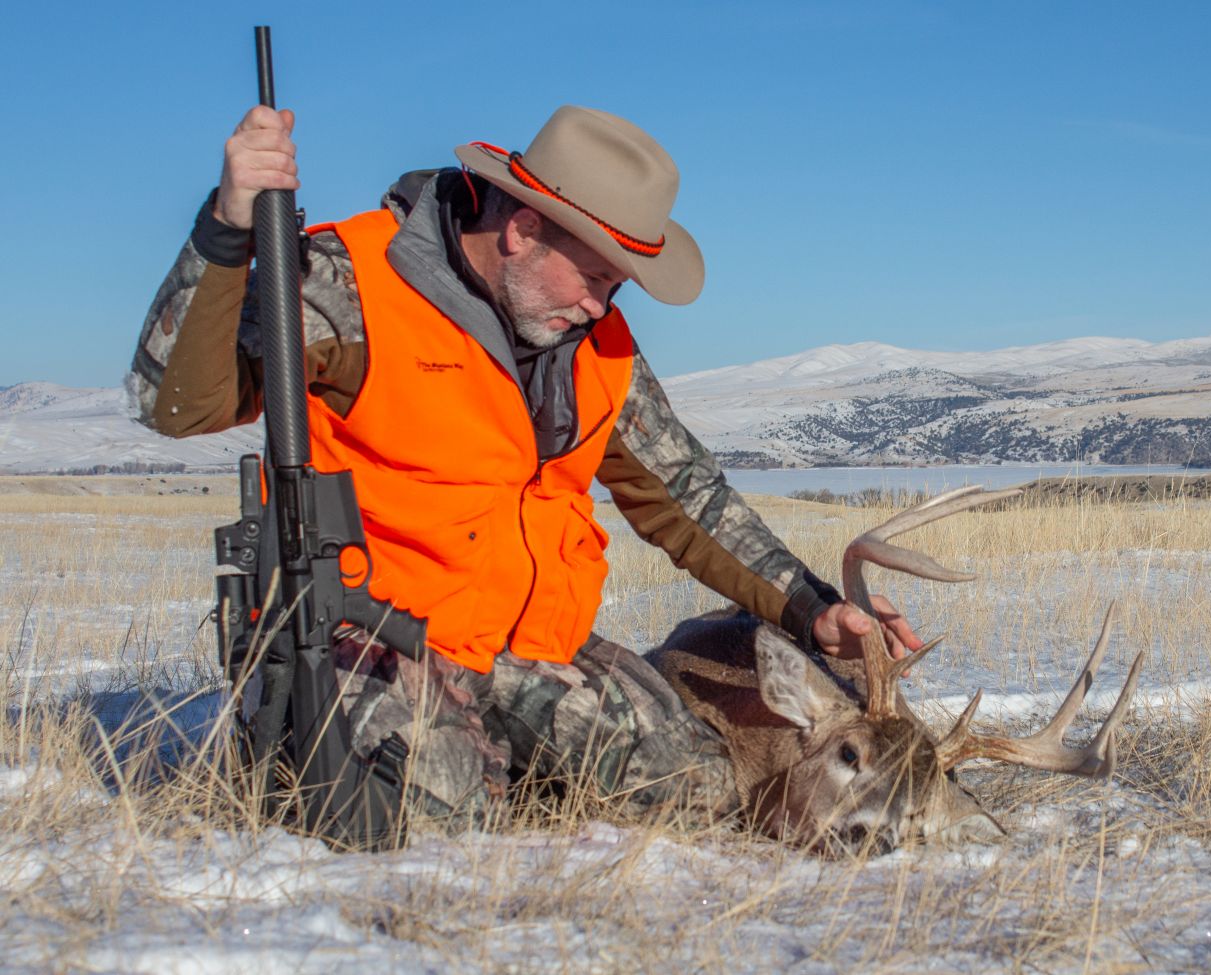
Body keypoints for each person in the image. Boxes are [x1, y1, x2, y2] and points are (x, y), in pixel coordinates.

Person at [130, 103, 923, 825]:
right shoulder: (354, 286)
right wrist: (227, 230)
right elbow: (177, 401)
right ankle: (407, 763)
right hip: (374, 637)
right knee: (429, 820)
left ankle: (500, 760)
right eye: (596, 274)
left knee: (697, 790)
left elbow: (687, 497)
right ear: (521, 229)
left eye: (616, 287)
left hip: (529, 652)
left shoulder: (597, 347)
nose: (600, 305)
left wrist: (813, 608)